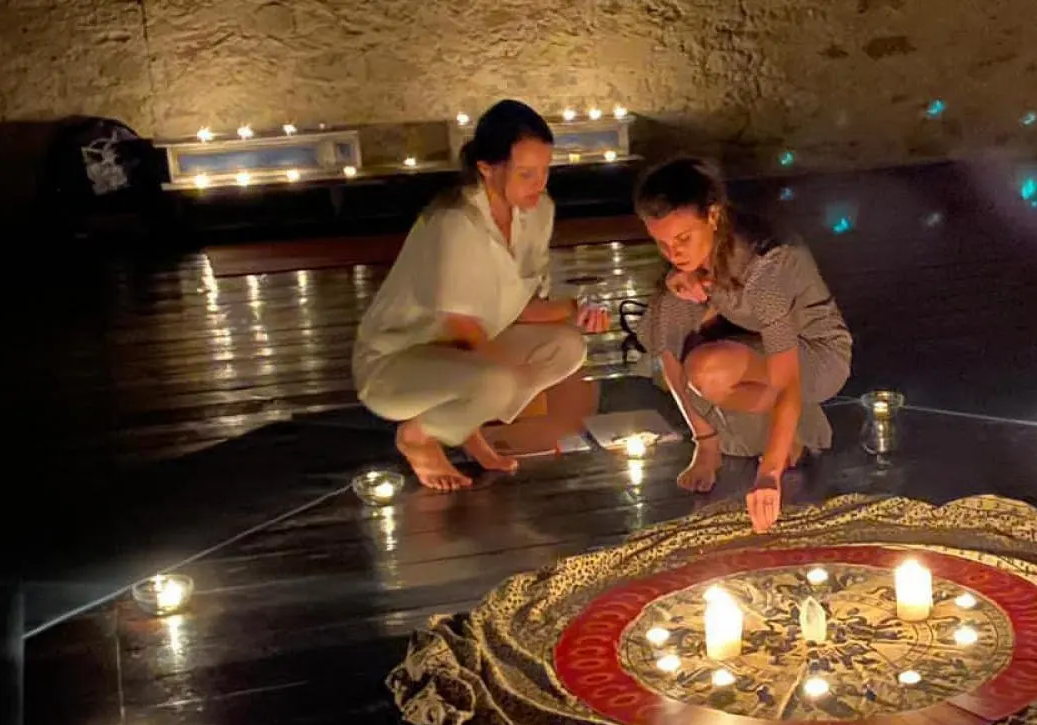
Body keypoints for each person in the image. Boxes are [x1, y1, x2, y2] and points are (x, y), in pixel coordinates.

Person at [353, 100, 611, 490]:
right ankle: (419, 437)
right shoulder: (455, 222)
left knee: (568, 347)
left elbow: (521, 307)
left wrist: (578, 310)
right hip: (398, 365)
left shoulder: (538, 212)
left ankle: (463, 421)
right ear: (487, 168)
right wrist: (505, 381)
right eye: (526, 173)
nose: (540, 184)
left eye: (545, 170)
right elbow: (461, 329)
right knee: (498, 382)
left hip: (466, 360)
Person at [634, 157, 852, 532]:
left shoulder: (766, 265)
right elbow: (667, 339)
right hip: (756, 344)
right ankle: (707, 442)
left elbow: (786, 378)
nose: (675, 253)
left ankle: (793, 427)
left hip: (817, 356)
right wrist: (679, 278)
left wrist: (770, 472)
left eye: (683, 239)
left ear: (713, 215)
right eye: (663, 244)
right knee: (668, 311)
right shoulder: (696, 255)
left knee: (708, 370)